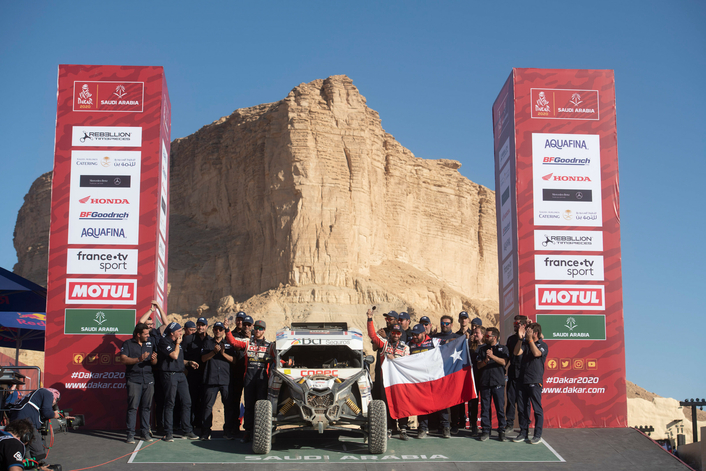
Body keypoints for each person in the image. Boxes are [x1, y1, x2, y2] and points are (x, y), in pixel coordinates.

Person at [225, 319, 275, 443]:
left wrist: (290, 363)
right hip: (249, 378)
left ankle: (261, 433)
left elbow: (277, 359)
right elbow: (233, 342)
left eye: (260, 328)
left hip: (263, 379)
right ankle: (248, 432)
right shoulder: (247, 342)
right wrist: (226, 329)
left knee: (261, 407)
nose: (258, 330)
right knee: (249, 406)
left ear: (264, 330)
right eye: (256, 328)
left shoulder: (269, 345)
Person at [366, 308, 410, 440]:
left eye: (398, 333)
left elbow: (406, 363)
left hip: (400, 381)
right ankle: (389, 428)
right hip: (386, 380)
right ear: (391, 334)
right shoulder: (385, 344)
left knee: (401, 403)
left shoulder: (405, 348)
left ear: (400, 334)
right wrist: (369, 318)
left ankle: (403, 428)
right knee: (387, 403)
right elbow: (372, 335)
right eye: (394, 333)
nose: (395, 335)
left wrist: (394, 359)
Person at [157, 322, 199, 441]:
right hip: (169, 375)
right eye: (179, 331)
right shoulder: (164, 341)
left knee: (187, 402)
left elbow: (179, 359)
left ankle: (187, 430)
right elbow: (174, 356)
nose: (181, 333)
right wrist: (178, 343)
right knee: (170, 402)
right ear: (172, 333)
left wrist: (188, 362)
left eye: (181, 331)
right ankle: (168, 432)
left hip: (181, 375)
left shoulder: (177, 343)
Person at [406, 324, 448, 438]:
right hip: (419, 380)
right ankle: (422, 428)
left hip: (434, 377)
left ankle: (446, 427)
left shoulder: (433, 341)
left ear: (424, 333)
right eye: (413, 335)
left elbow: (449, 342)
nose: (414, 337)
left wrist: (462, 340)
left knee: (441, 403)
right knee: (421, 404)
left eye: (417, 334)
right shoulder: (409, 344)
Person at [120, 322, 158, 443]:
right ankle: (130, 435)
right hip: (134, 379)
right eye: (145, 334)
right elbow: (123, 359)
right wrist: (138, 359)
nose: (148, 336)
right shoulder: (128, 344)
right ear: (138, 334)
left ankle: (145, 433)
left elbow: (154, 363)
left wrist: (153, 359)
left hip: (148, 379)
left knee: (146, 407)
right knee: (133, 407)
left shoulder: (150, 343)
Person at [512, 322, 548, 445]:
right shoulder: (525, 344)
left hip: (535, 381)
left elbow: (537, 353)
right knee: (522, 409)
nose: (527, 333)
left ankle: (537, 435)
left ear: (535, 333)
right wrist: (520, 339)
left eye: (529, 331)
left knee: (537, 409)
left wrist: (530, 340)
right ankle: (523, 432)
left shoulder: (542, 345)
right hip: (522, 380)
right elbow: (516, 353)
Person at [200, 322, 235, 440]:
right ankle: (205, 431)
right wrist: (214, 352)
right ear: (213, 330)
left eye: (220, 329)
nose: (218, 331)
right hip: (211, 379)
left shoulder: (229, 343)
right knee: (207, 406)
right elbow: (203, 359)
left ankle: (228, 431)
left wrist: (223, 354)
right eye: (216, 329)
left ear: (224, 331)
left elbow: (234, 360)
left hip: (225, 380)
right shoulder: (207, 342)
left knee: (228, 406)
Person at [7, 388, 62, 461]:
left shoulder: (36, 394)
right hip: (25, 419)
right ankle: (40, 465)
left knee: (23, 443)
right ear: (55, 397)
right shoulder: (48, 394)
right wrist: (55, 415)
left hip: (15, 417)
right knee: (36, 442)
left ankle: (23, 463)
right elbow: (47, 413)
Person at [477, 327, 509, 441]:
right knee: (485, 408)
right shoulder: (482, 349)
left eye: (488, 336)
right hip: (485, 382)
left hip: (498, 383)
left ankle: (501, 431)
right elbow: (479, 365)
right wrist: (486, 359)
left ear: (494, 337)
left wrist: (493, 356)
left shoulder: (503, 348)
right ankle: (485, 430)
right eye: (485, 335)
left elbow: (504, 362)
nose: (486, 337)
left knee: (500, 408)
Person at [226, 312, 251, 438]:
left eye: (244, 321)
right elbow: (230, 342)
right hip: (234, 373)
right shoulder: (231, 335)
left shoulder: (251, 337)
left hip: (248, 374)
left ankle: (249, 429)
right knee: (233, 401)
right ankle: (233, 428)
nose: (242, 323)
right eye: (239, 320)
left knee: (249, 401)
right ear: (236, 321)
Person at [182, 317, 210, 430]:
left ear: (207, 327)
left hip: (206, 376)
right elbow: (181, 357)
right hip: (191, 375)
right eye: (198, 325)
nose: (200, 327)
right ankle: (188, 426)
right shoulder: (188, 339)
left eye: (203, 325)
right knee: (190, 401)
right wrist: (185, 366)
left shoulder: (210, 340)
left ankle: (200, 426)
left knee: (204, 402)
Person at [505, 315, 528, 433]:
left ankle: (524, 426)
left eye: (517, 324)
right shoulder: (511, 339)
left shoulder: (530, 338)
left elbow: (540, 337)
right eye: (514, 324)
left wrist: (529, 326)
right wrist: (504, 368)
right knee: (511, 398)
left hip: (525, 373)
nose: (515, 326)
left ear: (523, 325)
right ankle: (509, 423)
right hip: (513, 372)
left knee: (523, 401)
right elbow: (508, 356)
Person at [451, 311, 472, 433]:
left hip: (471, 369)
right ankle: (456, 422)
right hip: (458, 370)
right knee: (457, 397)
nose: (463, 320)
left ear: (468, 320)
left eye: (465, 318)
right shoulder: (456, 335)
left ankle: (469, 423)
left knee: (471, 398)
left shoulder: (474, 334)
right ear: (459, 321)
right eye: (461, 318)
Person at [468, 325, 485, 436]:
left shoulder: (487, 347)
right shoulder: (471, 347)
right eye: (474, 333)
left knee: (484, 403)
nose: (474, 335)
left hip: (484, 378)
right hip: (472, 378)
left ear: (482, 335)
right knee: (473, 403)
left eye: (477, 333)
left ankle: (485, 426)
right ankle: (473, 425)